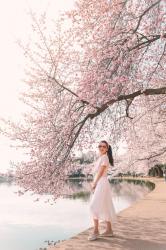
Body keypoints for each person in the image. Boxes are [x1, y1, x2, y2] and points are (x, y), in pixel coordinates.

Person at [88, 140, 117, 241]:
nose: (101, 148)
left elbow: (100, 172)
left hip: (101, 183)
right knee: (105, 205)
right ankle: (109, 230)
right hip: (102, 183)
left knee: (93, 206)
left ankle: (96, 231)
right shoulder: (101, 157)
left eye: (104, 146)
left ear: (107, 148)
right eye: (99, 146)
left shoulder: (104, 157)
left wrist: (95, 183)